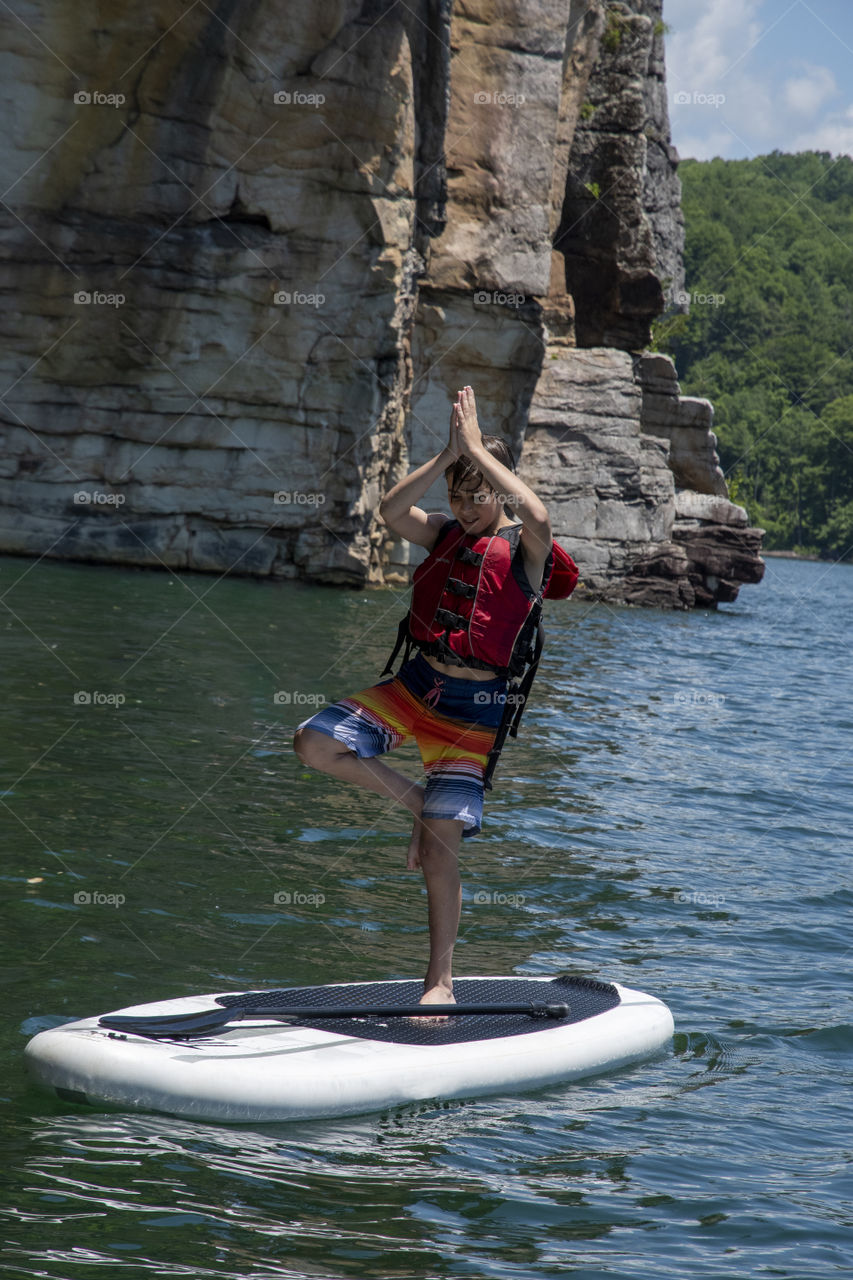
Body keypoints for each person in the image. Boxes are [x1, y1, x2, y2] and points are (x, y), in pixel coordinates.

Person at [293, 385, 567, 1010]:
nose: (468, 509)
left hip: (473, 715)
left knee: (443, 850)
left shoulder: (528, 552)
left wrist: (480, 452)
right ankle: (417, 800)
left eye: (479, 498)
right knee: (314, 741)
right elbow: (391, 512)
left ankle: (439, 983)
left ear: (500, 492)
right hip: (417, 686)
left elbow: (542, 517)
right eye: (460, 496)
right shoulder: (443, 533)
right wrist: (449, 453)